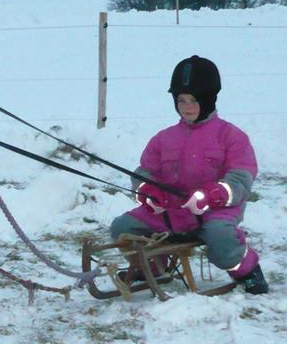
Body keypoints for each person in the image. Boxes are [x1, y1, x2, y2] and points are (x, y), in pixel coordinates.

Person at [109, 54, 268, 294]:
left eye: (194, 100)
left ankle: (247, 270)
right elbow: (144, 172)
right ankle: (154, 266)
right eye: (181, 100)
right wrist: (147, 190)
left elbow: (241, 179)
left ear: (209, 99)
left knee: (221, 238)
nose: (187, 107)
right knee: (122, 227)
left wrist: (214, 194)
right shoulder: (163, 138)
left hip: (214, 214)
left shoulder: (231, 137)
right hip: (170, 213)